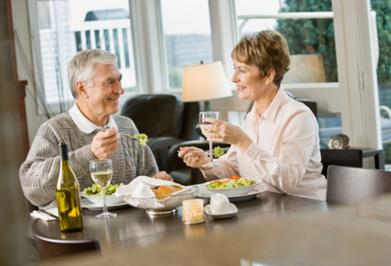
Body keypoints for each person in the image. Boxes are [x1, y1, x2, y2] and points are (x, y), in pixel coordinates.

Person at [178, 30, 326, 200]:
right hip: (266, 207)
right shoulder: (251, 118)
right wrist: (206, 162)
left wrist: (243, 141)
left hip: (304, 207)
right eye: (235, 68)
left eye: (242, 70)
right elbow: (232, 167)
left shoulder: (299, 117)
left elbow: (287, 182)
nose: (234, 78)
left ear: (269, 75)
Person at [20, 49, 170, 207]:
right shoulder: (54, 130)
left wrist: (157, 183)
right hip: (74, 227)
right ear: (82, 89)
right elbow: (33, 190)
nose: (120, 90)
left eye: (119, 80)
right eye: (110, 82)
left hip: (128, 225)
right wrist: (89, 155)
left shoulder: (126, 126)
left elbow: (148, 179)